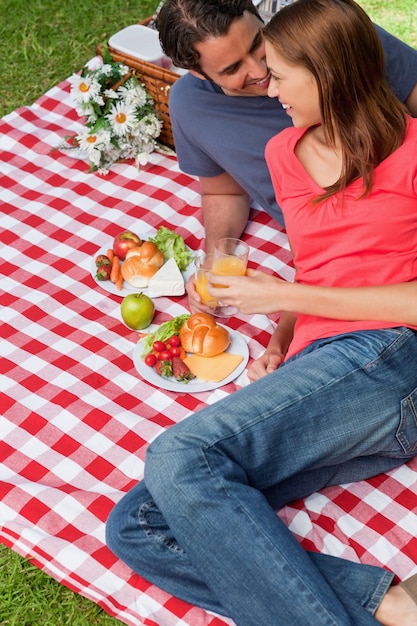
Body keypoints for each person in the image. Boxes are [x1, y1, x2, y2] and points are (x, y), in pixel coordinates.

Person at [106, 1, 417, 624]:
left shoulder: (411, 152)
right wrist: (284, 338)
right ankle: (389, 603)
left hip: (391, 357)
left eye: (275, 72)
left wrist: (281, 298)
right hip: (341, 377)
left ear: (325, 73)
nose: (265, 88)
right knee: (139, 523)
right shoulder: (282, 152)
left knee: (179, 457)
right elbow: (322, 267)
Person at [157, 0, 417, 312]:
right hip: (320, 267)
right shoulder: (190, 107)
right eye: (232, 69)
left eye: (257, 44)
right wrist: (218, 256)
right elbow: (222, 190)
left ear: (258, 16)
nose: (259, 70)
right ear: (197, 73)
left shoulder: (332, 42)